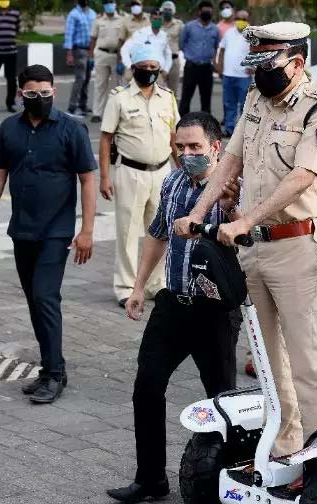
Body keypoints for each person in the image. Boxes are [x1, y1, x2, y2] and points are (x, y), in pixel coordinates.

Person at [175, 23, 317, 461]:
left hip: (295, 247)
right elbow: (230, 159)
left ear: (297, 63)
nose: (258, 76)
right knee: (269, 358)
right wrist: (197, 213)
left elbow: (303, 176)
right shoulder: (256, 98)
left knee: (306, 357)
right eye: (254, 65)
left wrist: (247, 218)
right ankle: (287, 443)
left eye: (267, 65)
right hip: (252, 248)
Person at [107, 112, 240, 504]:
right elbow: (158, 234)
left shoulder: (235, 186)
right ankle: (150, 479)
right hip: (172, 303)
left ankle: (225, 484)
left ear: (215, 147)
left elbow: (247, 240)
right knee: (146, 387)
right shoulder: (173, 182)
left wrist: (232, 210)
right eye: (180, 147)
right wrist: (137, 287)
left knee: (221, 398)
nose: (187, 154)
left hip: (214, 310)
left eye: (195, 147)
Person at [0, 65, 97, 404]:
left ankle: (55, 374)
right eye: (31, 94)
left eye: (44, 93)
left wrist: (87, 230)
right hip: (21, 231)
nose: (38, 99)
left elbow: (87, 179)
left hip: (56, 233)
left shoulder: (72, 129)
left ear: (54, 92)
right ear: (20, 94)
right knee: (34, 302)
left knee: (45, 297)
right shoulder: (10, 128)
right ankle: (51, 367)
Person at [100, 44, 180, 308]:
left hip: (162, 173)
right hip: (130, 172)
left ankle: (155, 284)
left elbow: (174, 138)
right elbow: (105, 139)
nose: (149, 72)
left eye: (154, 68)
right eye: (144, 68)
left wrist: (183, 171)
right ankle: (125, 286)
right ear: (133, 69)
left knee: (160, 232)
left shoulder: (167, 97)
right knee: (127, 232)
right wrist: (104, 177)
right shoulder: (119, 98)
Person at [178, 1, 220, 116]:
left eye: (209, 11)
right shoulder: (189, 26)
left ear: (212, 13)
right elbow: (182, 43)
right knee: (186, 97)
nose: (207, 13)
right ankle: (181, 124)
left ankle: (206, 128)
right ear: (199, 12)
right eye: (204, 11)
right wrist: (190, 54)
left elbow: (216, 46)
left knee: (206, 99)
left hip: (206, 68)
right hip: (191, 67)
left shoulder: (215, 29)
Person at [216, 10, 252, 137]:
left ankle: (242, 132)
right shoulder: (228, 33)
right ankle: (229, 129)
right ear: (234, 19)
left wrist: (255, 68)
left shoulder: (252, 35)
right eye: (239, 18)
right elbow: (221, 50)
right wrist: (219, 67)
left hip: (244, 76)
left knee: (244, 105)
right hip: (228, 75)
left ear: (248, 20)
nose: (241, 20)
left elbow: (258, 53)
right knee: (229, 104)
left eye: (244, 18)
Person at [89, 0, 124, 123]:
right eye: (107, 2)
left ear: (115, 4)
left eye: (111, 2)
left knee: (117, 86)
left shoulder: (122, 20)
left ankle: (117, 113)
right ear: (104, 5)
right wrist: (90, 57)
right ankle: (97, 113)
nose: (109, 5)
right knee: (100, 84)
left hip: (116, 55)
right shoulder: (98, 20)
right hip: (101, 54)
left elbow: (123, 40)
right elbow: (93, 39)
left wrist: (121, 59)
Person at [64, 0, 97, 117]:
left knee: (87, 78)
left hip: (90, 50)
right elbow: (69, 35)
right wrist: (69, 54)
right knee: (80, 78)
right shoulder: (73, 14)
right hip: (78, 50)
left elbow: (96, 33)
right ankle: (72, 106)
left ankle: (83, 105)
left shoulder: (93, 14)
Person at [120, 8, 173, 81]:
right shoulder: (141, 33)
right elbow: (125, 49)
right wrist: (130, 65)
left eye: (159, 19)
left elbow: (168, 54)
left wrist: (166, 70)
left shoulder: (164, 36)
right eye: (155, 18)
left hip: (157, 74)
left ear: (163, 20)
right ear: (150, 19)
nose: (157, 21)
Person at [160, 1, 185, 95]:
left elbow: (185, 39)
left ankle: (172, 109)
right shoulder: (156, 24)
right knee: (157, 90)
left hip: (173, 60)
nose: (167, 11)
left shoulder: (179, 25)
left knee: (173, 91)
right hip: (159, 60)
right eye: (165, 9)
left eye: (169, 10)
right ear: (161, 10)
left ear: (173, 11)